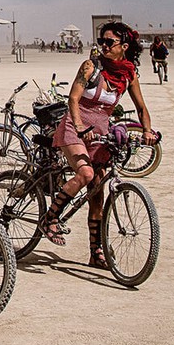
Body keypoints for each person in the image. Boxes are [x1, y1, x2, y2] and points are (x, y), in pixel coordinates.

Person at [42, 22, 155, 268]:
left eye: (109, 42)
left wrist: (147, 131)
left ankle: (96, 252)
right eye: (101, 41)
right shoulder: (90, 66)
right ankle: (50, 218)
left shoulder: (128, 74)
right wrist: (81, 127)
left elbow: (141, 107)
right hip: (75, 126)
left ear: (124, 47)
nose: (103, 46)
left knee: (97, 194)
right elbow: (73, 98)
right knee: (85, 172)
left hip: (100, 133)